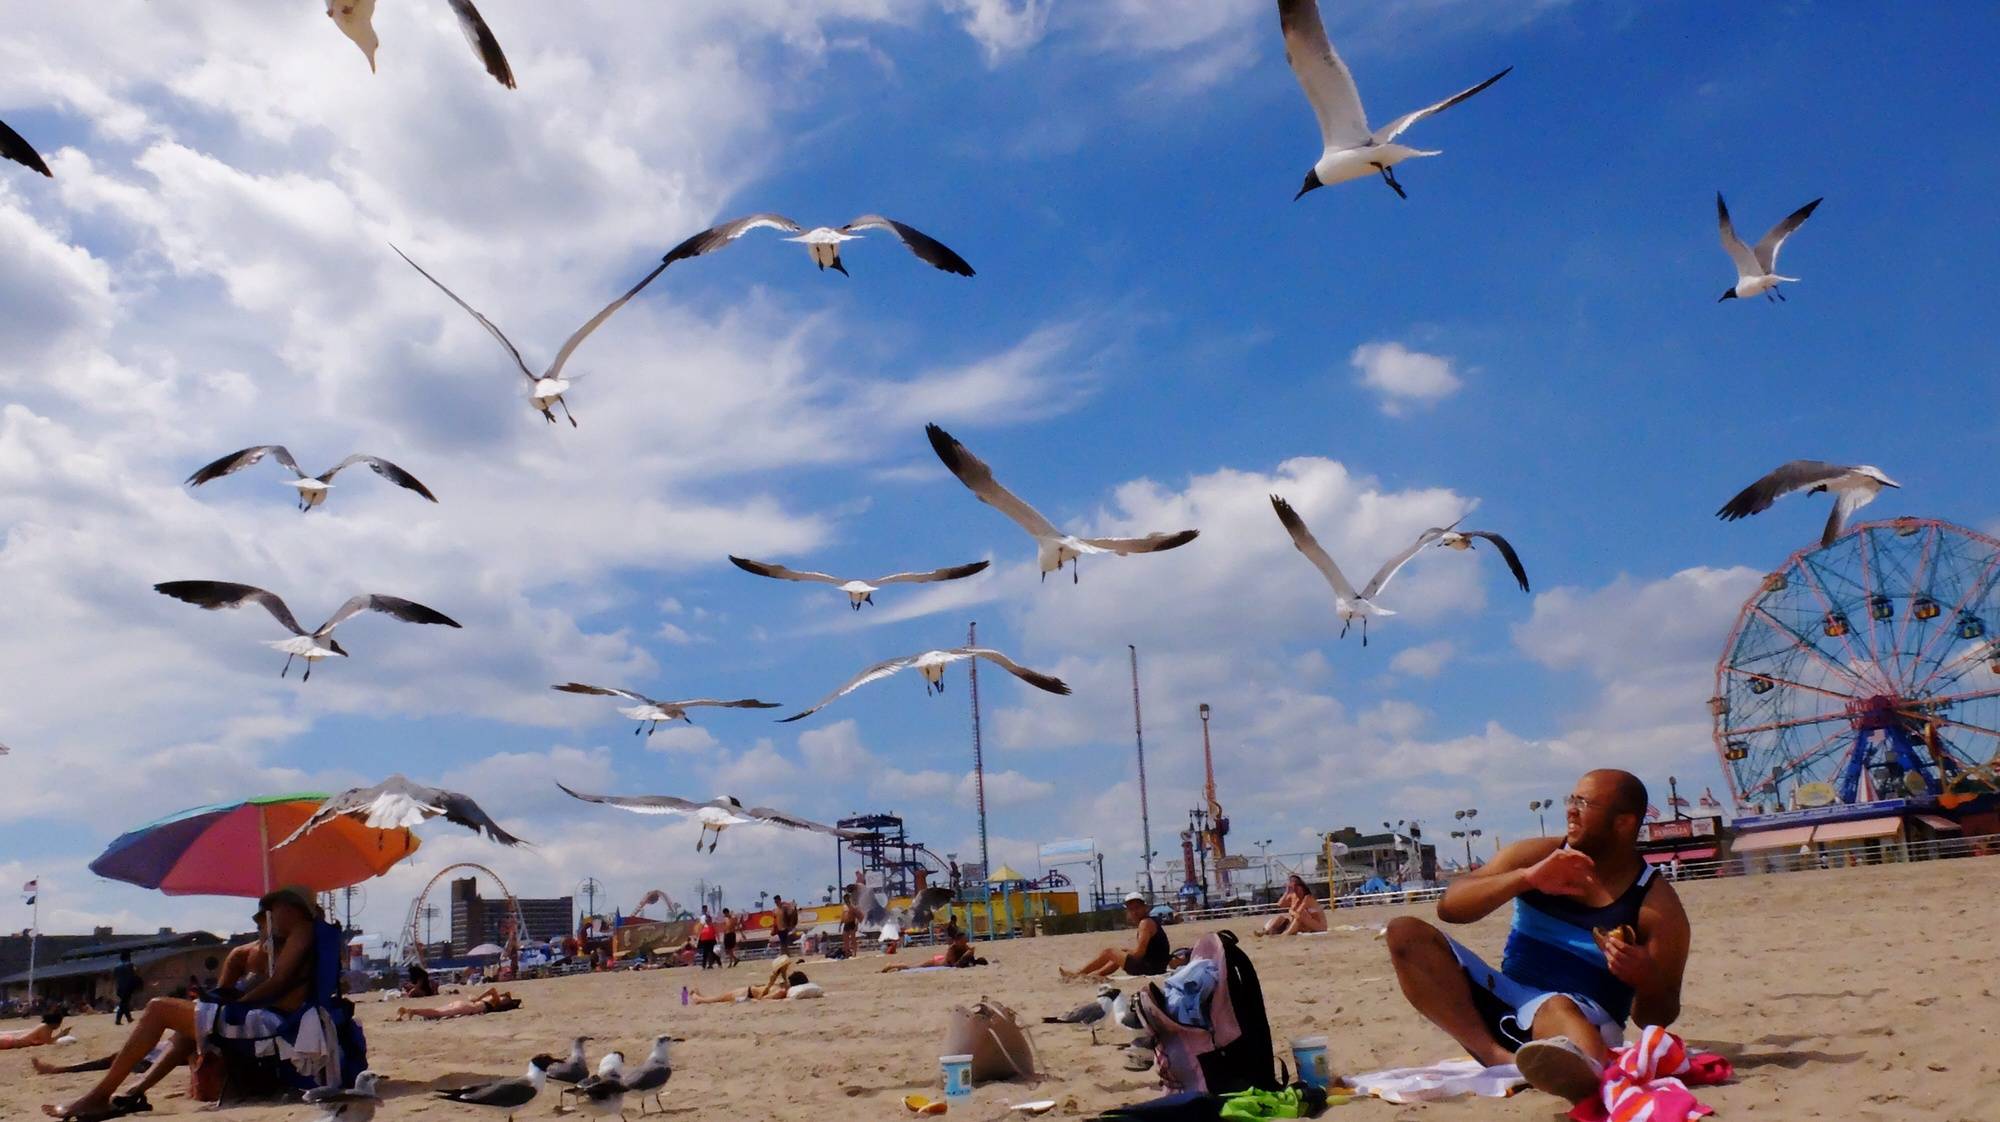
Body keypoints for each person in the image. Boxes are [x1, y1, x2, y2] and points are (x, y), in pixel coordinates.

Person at [1384, 769, 1692, 1106]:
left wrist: (1646, 979)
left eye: (1584, 803)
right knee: (1404, 932)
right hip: (1509, 997)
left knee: (1556, 1006)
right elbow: (1450, 908)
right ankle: (1496, 1058)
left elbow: (1657, 1017)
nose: (1571, 810)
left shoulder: (1656, 905)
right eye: (1571, 799)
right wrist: (1526, 878)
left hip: (1581, 1019)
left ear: (1623, 823)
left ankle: (1585, 1072)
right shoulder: (1538, 856)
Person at [42, 888, 323, 1122]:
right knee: (186, 1025)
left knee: (157, 1008)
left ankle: (99, 1097)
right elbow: (220, 994)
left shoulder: (303, 932)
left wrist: (239, 1004)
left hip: (275, 1022)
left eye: (267, 917)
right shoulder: (247, 952)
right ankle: (134, 1091)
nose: (262, 925)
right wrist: (222, 1002)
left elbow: (281, 982)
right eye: (262, 919)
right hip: (262, 1019)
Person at [1061, 893, 1170, 980]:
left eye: (1137, 908)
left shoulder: (1145, 923)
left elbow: (1139, 954)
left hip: (1151, 968)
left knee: (1109, 952)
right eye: (1131, 909)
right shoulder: (1150, 922)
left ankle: (1077, 974)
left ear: (1145, 908)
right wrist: (1126, 952)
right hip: (1157, 966)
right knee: (1120, 953)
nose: (1134, 912)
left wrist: (1127, 952)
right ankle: (1097, 974)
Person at [688, 958, 809, 1004]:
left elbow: (763, 998)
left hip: (746, 993)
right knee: (717, 998)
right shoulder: (785, 987)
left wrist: (770, 984)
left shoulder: (782, 991)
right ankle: (700, 997)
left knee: (715, 999)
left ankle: (697, 998)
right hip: (747, 991)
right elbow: (783, 976)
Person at [1260, 874, 1327, 936]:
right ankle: (1266, 931)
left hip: (1319, 926)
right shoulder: (1293, 896)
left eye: (1296, 887)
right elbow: (1280, 904)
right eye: (1293, 888)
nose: (1296, 890)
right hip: (1303, 925)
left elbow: (1299, 913)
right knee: (1280, 918)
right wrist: (1287, 892)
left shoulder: (1307, 898)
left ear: (1301, 887)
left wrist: (1290, 910)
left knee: (1301, 916)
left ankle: (1285, 934)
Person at [396, 987, 521, 1020]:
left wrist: (477, 998)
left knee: (436, 1011)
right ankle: (413, 1011)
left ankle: (408, 1011)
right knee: (438, 1013)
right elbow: (493, 990)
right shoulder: (496, 1002)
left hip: (462, 1003)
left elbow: (471, 996)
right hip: (467, 1008)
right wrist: (478, 998)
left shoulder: (489, 1000)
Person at [0, 1011, 65, 1050]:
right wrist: (60, 1035)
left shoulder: (44, 1026)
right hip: (11, 1042)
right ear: (54, 1023)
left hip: (11, 1041)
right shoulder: (45, 1027)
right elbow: (48, 1042)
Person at [112, 952, 141, 1026]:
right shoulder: (130, 965)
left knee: (124, 1003)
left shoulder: (116, 967)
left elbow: (115, 977)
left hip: (120, 987)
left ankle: (126, 1019)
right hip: (128, 986)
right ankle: (122, 1019)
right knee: (124, 1003)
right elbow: (134, 975)